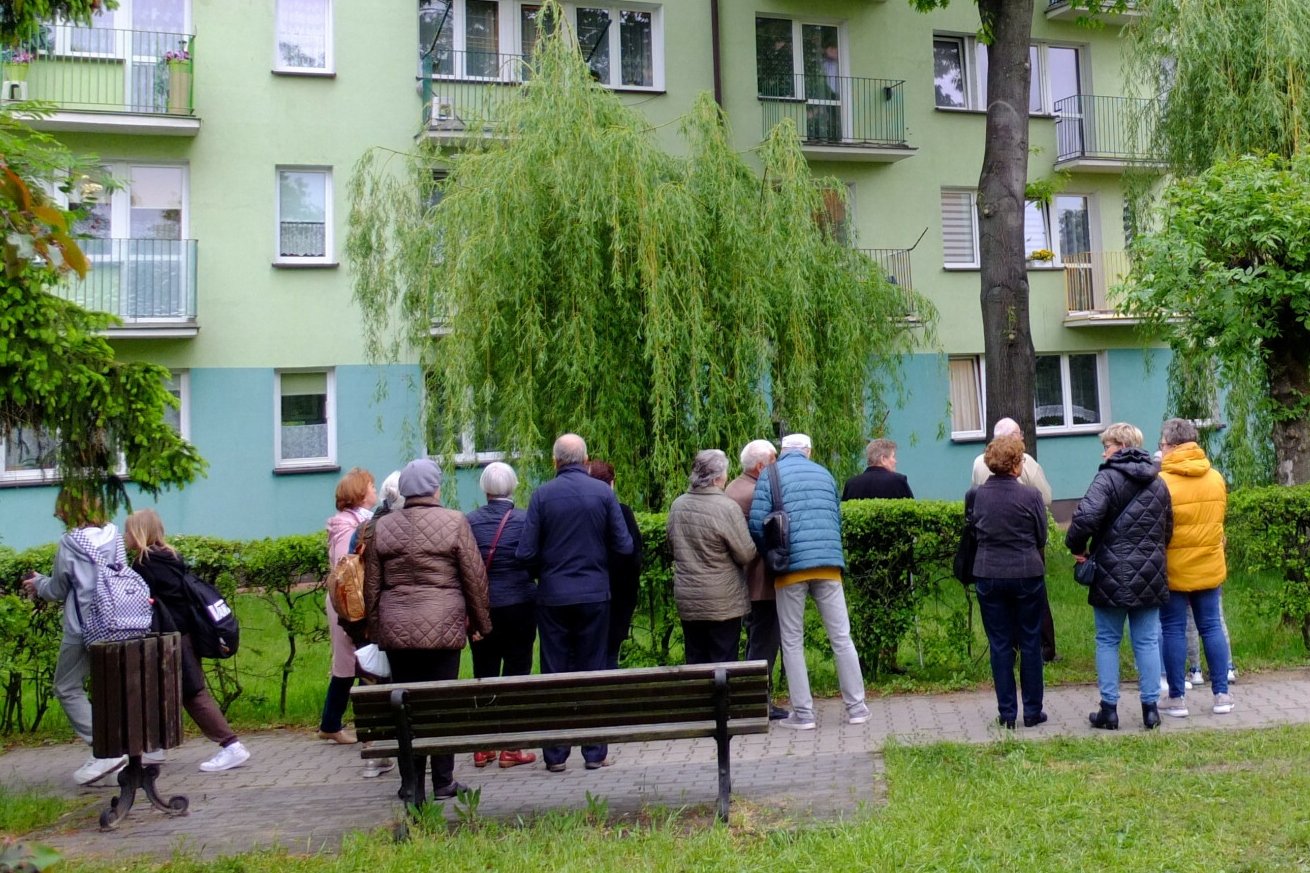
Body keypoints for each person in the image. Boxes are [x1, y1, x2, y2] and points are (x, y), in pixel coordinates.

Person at [364, 458, 492, 802]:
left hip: (397, 630)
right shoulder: (454, 522)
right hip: (443, 629)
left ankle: (410, 783)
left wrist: (376, 631)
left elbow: (371, 585)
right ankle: (444, 781)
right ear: (436, 489)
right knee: (441, 704)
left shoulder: (383, 528)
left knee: (404, 706)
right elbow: (474, 578)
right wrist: (480, 624)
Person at [516, 433, 633, 771]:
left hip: (552, 597)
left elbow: (525, 552)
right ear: (585, 461)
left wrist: (545, 572)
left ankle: (555, 755)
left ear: (555, 462)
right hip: (595, 595)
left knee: (554, 673)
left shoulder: (541, 496)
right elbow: (623, 546)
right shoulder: (602, 494)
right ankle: (594, 752)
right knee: (593, 670)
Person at [748, 433, 869, 730]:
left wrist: (772, 556)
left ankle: (804, 715)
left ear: (782, 451)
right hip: (829, 565)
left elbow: (755, 522)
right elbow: (835, 517)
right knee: (842, 637)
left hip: (790, 567)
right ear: (809, 451)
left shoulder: (770, 474)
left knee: (791, 641)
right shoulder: (824, 473)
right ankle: (857, 708)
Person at [124, 509, 252, 770]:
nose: (124, 536)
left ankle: (231, 745)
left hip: (172, 637)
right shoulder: (170, 556)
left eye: (127, 530)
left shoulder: (144, 564)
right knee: (165, 690)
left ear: (139, 532)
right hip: (185, 634)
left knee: (193, 693)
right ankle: (154, 746)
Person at [1064, 423, 1172, 731]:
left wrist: (1076, 546)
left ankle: (1109, 710)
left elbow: (1085, 519)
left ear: (1121, 446)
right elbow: (1168, 531)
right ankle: (1151, 710)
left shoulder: (1106, 478)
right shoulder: (1158, 482)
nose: (1103, 450)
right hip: (1150, 573)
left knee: (1108, 640)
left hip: (1111, 571)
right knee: (1148, 640)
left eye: (1107, 444)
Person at [21, 488, 129, 786]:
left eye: (61, 512)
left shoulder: (71, 542)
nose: (60, 517)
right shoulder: (115, 535)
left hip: (83, 627)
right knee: (109, 688)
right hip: (121, 623)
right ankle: (115, 756)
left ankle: (106, 749)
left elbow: (56, 589)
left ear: (71, 511)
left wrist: (37, 583)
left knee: (66, 686)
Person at [966, 436, 1048, 730]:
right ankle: (1033, 711)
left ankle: (1007, 713)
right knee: (1029, 641)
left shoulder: (976, 495)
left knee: (999, 644)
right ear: (1016, 464)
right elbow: (1042, 537)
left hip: (989, 572)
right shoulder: (1031, 496)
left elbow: (974, 534)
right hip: (1026, 572)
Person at [1157, 418, 1234, 717]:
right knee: (1211, 626)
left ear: (1173, 446)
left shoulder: (1162, 482)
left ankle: (1176, 698)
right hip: (1209, 564)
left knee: (1173, 629)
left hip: (1173, 567)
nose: (1161, 450)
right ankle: (1222, 696)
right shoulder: (1215, 477)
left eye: (1163, 445)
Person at [465, 461, 537, 769]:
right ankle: (512, 748)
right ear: (514, 487)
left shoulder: (469, 521)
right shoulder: (525, 520)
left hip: (483, 608)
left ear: (484, 489)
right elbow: (533, 558)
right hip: (520, 604)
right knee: (518, 671)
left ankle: (483, 746)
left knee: (484, 672)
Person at [970, 416, 1057, 662]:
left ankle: (1010, 652)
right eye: (1018, 433)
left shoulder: (978, 465)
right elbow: (1046, 498)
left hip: (990, 556)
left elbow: (975, 513)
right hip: (1024, 546)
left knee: (1000, 626)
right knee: (1035, 602)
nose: (1022, 437)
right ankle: (1045, 647)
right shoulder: (1027, 465)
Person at [667, 450, 756, 664]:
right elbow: (745, 554)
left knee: (695, 659)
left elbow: (671, 546)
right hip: (722, 601)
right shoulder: (726, 507)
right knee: (723, 662)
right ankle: (721, 699)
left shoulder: (678, 505)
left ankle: (698, 698)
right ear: (717, 478)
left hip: (688, 599)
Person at [725, 439, 788, 720]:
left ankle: (753, 698)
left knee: (756, 639)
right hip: (760, 582)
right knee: (764, 642)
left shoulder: (734, 487)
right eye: (774, 460)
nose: (778, 467)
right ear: (762, 465)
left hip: (745, 582)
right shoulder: (754, 493)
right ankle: (757, 700)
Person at [318, 468, 375, 746]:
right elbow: (346, 569)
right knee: (360, 661)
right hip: (350, 603)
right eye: (371, 487)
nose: (375, 492)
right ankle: (365, 728)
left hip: (351, 601)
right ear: (360, 493)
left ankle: (331, 723)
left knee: (353, 662)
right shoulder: (348, 526)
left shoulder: (353, 521)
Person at [588, 459, 643, 669]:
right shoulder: (623, 513)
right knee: (610, 655)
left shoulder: (583, 514)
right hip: (619, 597)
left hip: (589, 595)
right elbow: (634, 557)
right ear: (612, 483)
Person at [843, 438, 913, 500]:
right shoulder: (898, 481)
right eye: (893, 456)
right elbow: (912, 510)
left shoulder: (851, 484)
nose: (896, 461)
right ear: (883, 459)